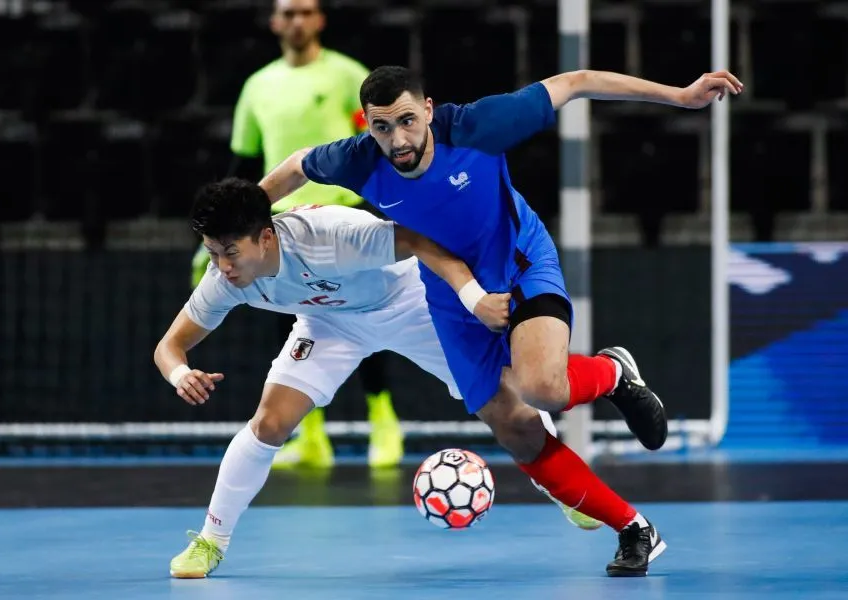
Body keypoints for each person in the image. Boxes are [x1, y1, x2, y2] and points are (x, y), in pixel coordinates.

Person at [256, 66, 744, 576]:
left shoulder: (477, 126)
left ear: (427, 109)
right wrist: (249, 212)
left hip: (519, 264)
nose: (397, 140)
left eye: (406, 121)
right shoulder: (357, 160)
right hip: (450, 298)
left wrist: (680, 95)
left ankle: (613, 373)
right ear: (368, 125)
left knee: (542, 388)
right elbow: (296, 165)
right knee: (518, 430)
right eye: (381, 127)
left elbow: (575, 82)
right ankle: (633, 529)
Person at [157, 179, 600, 579]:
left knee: (509, 403)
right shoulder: (225, 280)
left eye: (230, 253)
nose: (223, 266)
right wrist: (180, 373)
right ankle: (211, 541)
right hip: (328, 322)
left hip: (410, 302)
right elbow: (169, 347)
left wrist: (472, 297)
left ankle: (560, 484)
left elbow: (420, 241)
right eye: (213, 252)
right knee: (269, 423)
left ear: (266, 237)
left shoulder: (333, 238)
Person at [190, 0, 401, 469]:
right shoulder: (258, 86)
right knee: (293, 328)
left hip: (344, 220)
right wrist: (218, 234)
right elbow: (243, 165)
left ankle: (383, 423)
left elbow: (378, 146)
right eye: (288, 13)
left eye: (305, 12)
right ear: (274, 22)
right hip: (277, 229)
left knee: (364, 321)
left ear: (320, 20)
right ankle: (310, 437)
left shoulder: (349, 76)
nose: (296, 21)